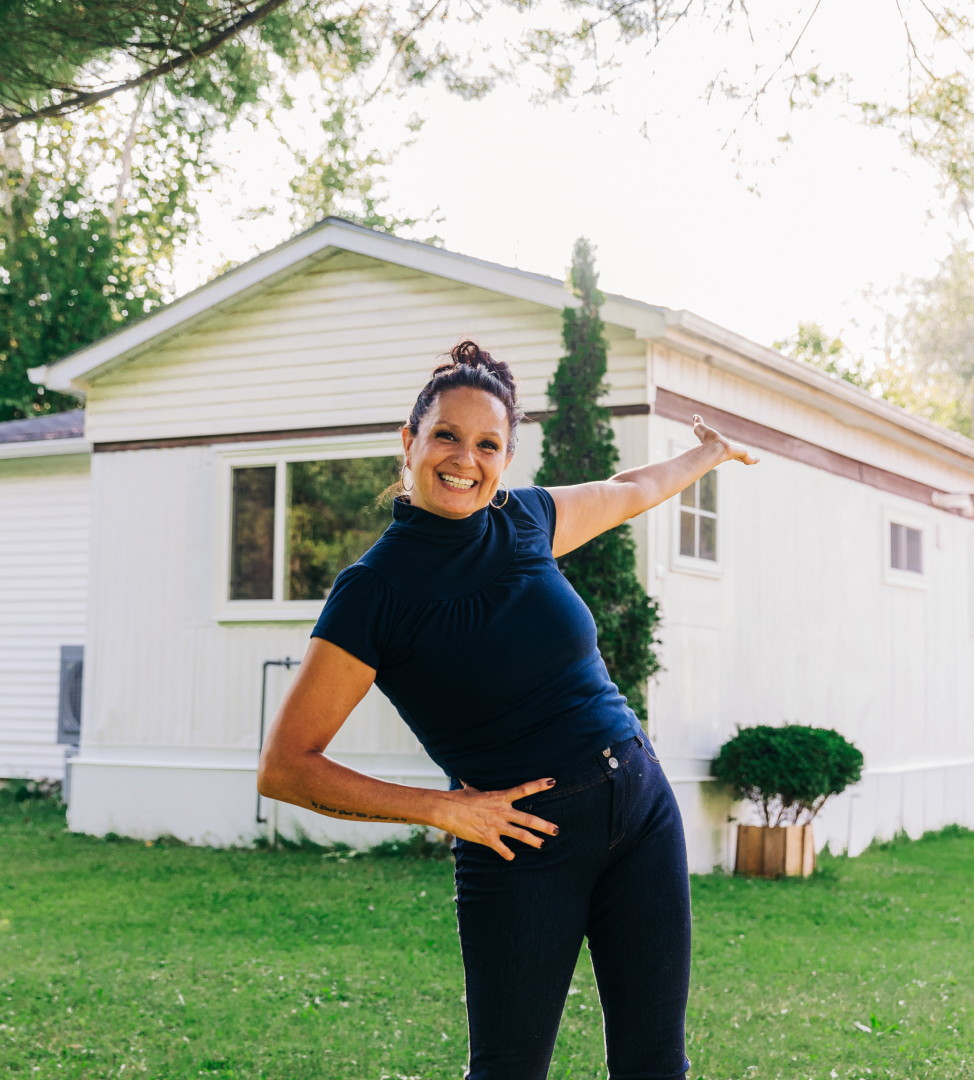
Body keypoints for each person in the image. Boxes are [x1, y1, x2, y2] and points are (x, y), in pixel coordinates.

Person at [258, 340, 758, 1080]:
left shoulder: (525, 522)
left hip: (642, 807)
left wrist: (707, 456)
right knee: (509, 1071)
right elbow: (286, 768)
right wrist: (444, 811)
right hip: (523, 847)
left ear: (506, 458)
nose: (465, 458)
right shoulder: (372, 593)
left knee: (657, 1064)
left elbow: (629, 489)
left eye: (487, 444)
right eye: (447, 437)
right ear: (410, 442)